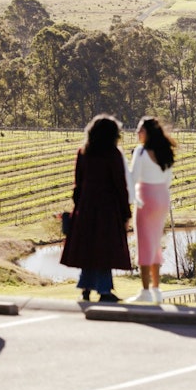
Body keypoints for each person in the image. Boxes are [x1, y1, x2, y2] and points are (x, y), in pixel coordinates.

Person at [60, 114, 132, 302]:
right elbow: (120, 186)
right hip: (107, 208)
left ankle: (86, 287)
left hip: (86, 206)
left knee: (89, 248)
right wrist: (126, 213)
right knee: (104, 250)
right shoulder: (113, 154)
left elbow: (78, 184)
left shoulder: (83, 152)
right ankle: (104, 290)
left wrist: (78, 207)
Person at [127, 116, 176, 303]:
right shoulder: (166, 152)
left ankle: (145, 291)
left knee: (144, 243)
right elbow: (168, 179)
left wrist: (133, 199)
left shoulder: (141, 152)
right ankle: (156, 289)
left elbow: (133, 178)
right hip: (162, 197)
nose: (137, 133)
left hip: (145, 197)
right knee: (155, 242)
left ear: (147, 133)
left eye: (140, 130)